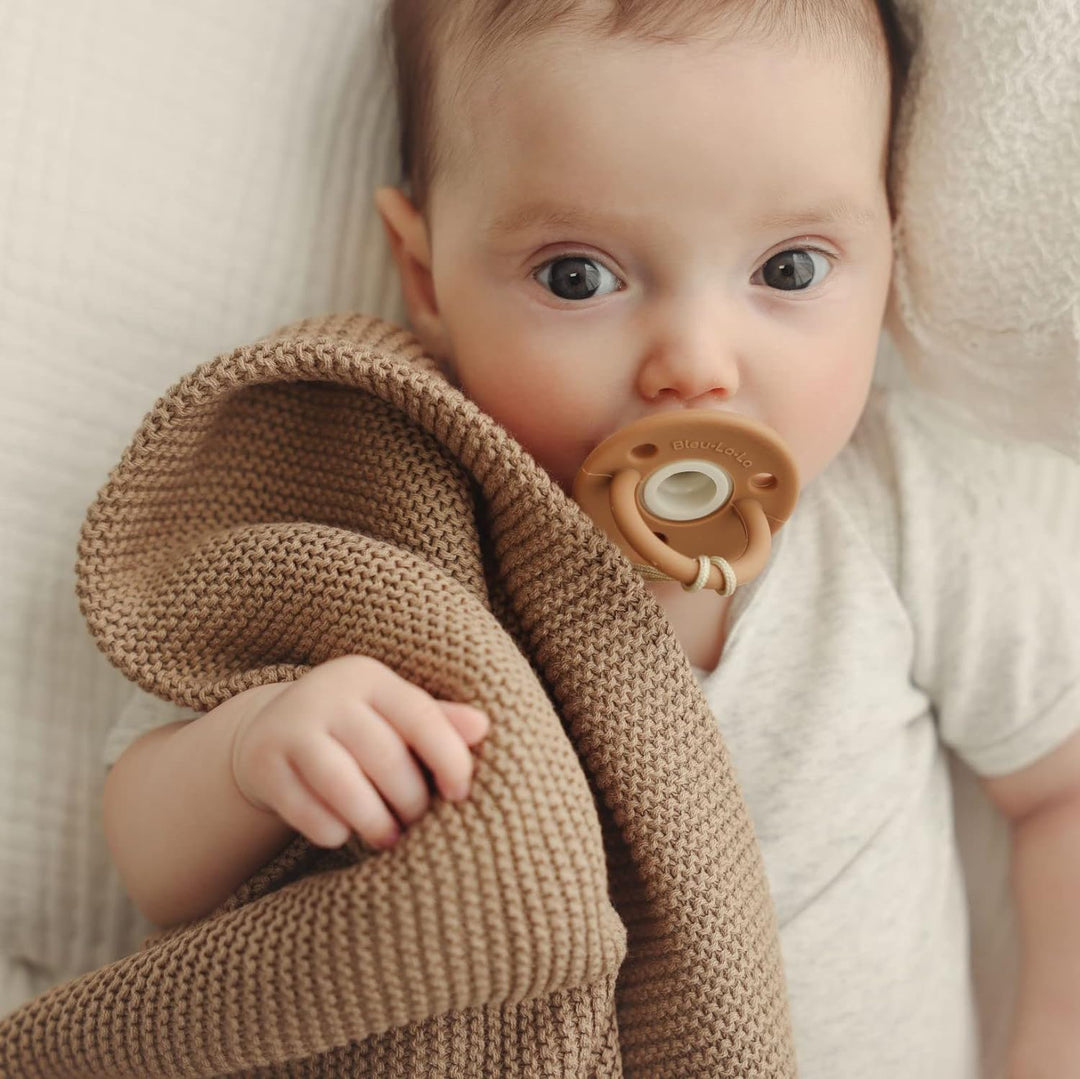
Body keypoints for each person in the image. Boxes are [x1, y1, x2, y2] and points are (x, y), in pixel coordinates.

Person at [100, 1, 1080, 1076]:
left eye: (790, 270)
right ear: (425, 275)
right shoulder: (389, 527)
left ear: (889, 252)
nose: (695, 364)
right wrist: (257, 754)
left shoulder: (899, 510)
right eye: (579, 276)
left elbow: (1063, 783)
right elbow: (150, 863)